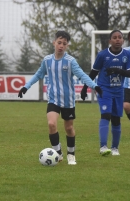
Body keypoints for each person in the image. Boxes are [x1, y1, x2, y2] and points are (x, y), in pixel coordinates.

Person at [18, 30, 102, 165]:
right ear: (54, 43)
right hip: (53, 98)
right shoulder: (47, 60)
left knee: (69, 128)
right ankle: (58, 153)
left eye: (64, 43)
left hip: (68, 100)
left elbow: (82, 75)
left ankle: (71, 154)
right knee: (51, 124)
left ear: (67, 45)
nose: (61, 45)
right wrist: (26, 87)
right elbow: (38, 75)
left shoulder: (70, 61)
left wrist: (94, 86)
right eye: (59, 42)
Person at [80, 30, 130, 156]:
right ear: (110, 41)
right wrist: (84, 88)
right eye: (114, 38)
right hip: (104, 90)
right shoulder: (103, 55)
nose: (117, 40)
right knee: (106, 115)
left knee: (116, 119)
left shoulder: (127, 55)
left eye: (119, 37)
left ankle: (115, 148)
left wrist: (115, 70)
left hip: (119, 91)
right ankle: (103, 146)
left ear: (123, 40)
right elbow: (93, 73)